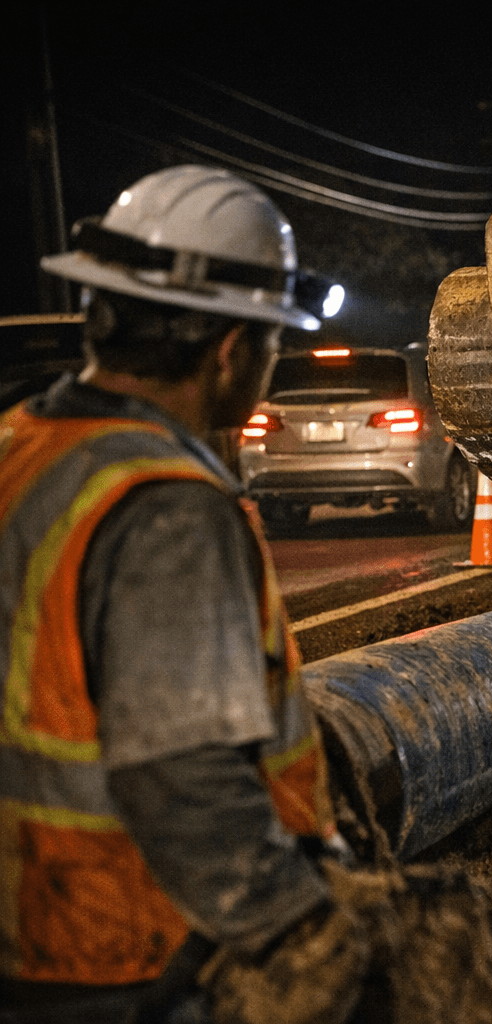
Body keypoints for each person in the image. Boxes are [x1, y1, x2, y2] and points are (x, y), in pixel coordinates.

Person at [0, 166, 341, 1023]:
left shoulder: (19, 446)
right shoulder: (167, 504)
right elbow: (179, 773)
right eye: (271, 341)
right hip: (118, 952)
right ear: (232, 351)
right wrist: (298, 927)